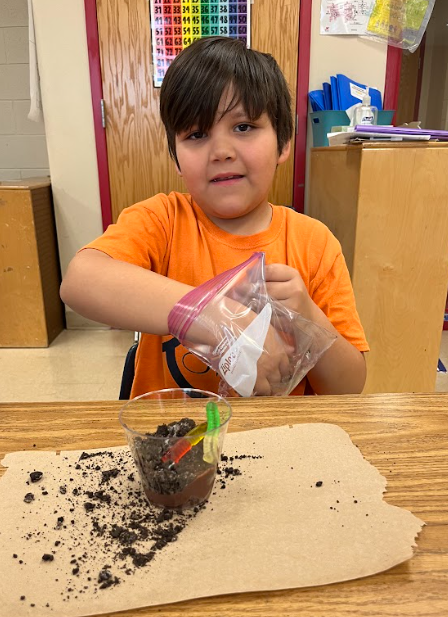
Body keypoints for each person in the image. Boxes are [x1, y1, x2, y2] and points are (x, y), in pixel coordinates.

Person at [60, 36, 368, 398]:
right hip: (173, 441)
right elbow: (81, 281)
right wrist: (210, 316)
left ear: (284, 142)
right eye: (197, 134)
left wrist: (310, 320)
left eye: (243, 127)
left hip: (281, 441)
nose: (221, 151)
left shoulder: (314, 243)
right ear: (176, 158)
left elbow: (349, 390)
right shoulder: (162, 221)